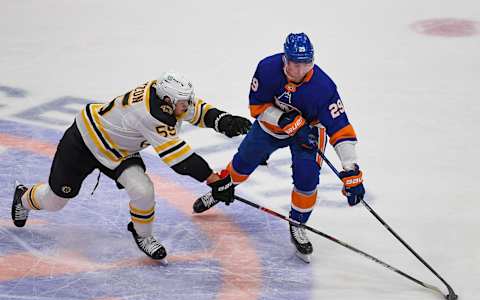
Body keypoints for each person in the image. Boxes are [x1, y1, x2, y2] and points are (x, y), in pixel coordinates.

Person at [10, 72, 252, 262]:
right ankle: (23, 197)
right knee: (55, 202)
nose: (187, 106)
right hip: (84, 142)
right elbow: (181, 160)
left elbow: (196, 110)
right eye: (182, 103)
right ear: (167, 101)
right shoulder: (150, 115)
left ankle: (143, 234)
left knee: (143, 190)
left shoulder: (166, 97)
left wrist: (223, 121)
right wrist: (215, 181)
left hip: (118, 150)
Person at [193, 33, 366, 263]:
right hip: (270, 128)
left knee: (307, 180)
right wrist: (285, 120)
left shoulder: (324, 87)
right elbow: (257, 107)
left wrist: (350, 168)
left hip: (309, 134)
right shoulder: (266, 68)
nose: (301, 69)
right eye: (296, 63)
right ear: (285, 59)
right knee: (243, 162)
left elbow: (341, 129)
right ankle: (223, 186)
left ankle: (297, 223)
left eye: (306, 63)